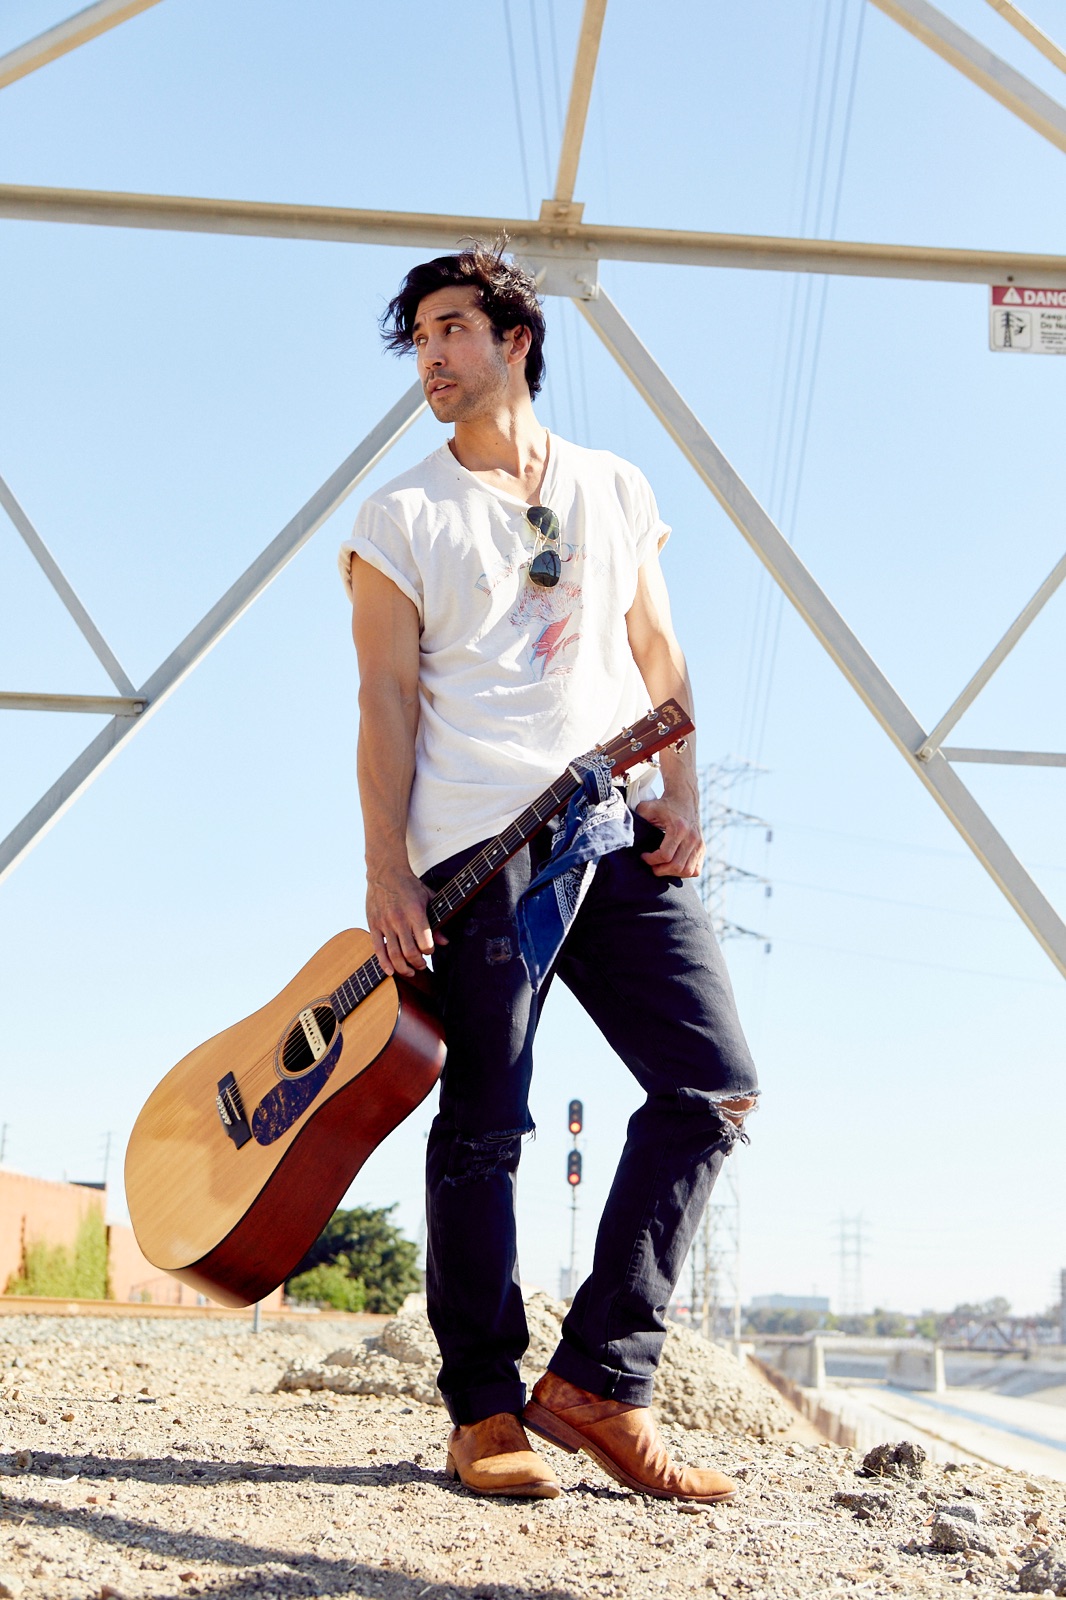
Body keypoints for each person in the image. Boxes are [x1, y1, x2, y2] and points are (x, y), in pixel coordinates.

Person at [340, 243, 758, 1503]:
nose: (433, 357)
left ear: (516, 337)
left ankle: (597, 1383)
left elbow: (657, 643)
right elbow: (384, 700)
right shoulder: (398, 515)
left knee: (713, 1087)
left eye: (454, 329)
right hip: (477, 851)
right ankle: (481, 1409)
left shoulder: (613, 485)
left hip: (611, 825)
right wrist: (385, 872)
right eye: (418, 339)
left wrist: (680, 795)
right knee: (484, 1126)